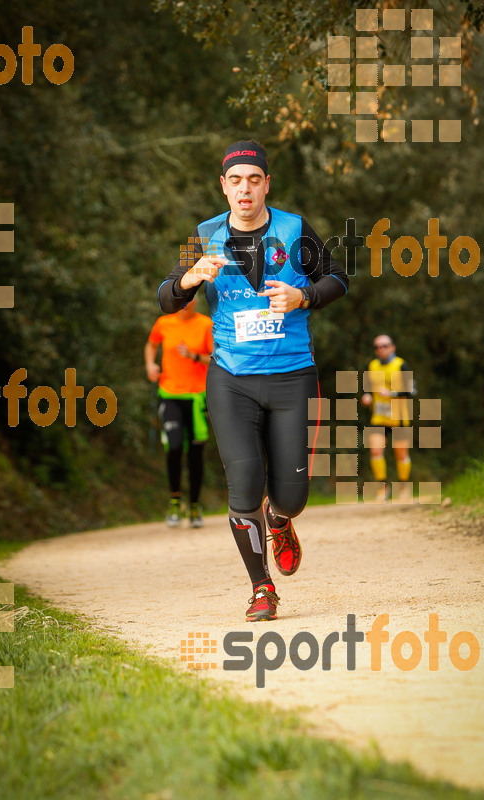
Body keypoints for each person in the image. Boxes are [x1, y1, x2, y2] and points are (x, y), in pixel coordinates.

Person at [157, 139, 348, 621]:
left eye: (254, 179)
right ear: (223, 187)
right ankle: (262, 588)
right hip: (232, 380)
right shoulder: (202, 237)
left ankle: (280, 521)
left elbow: (339, 278)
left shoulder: (296, 229)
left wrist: (303, 297)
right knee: (244, 485)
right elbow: (165, 298)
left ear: (267, 184)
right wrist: (188, 279)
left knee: (291, 497)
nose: (245, 189)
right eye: (236, 180)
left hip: (292, 378)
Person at [145, 298, 213, 527]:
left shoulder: (205, 325)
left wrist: (193, 356)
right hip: (169, 394)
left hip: (196, 397)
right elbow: (151, 345)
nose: (185, 302)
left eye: (189, 298)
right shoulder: (164, 323)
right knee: (173, 447)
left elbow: (215, 359)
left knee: (195, 454)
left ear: (195, 300)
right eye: (181, 298)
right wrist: (150, 365)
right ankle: (175, 502)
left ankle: (194, 506)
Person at [361, 334, 416, 500]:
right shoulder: (372, 365)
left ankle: (404, 487)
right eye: (377, 347)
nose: (381, 349)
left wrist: (392, 394)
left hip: (399, 417)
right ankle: (382, 488)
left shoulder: (401, 365)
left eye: (384, 346)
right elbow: (368, 387)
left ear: (392, 347)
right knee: (376, 452)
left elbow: (412, 390)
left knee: (401, 454)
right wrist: (367, 395)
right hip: (379, 417)